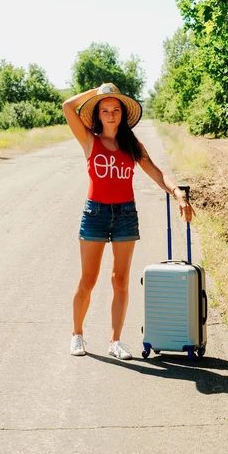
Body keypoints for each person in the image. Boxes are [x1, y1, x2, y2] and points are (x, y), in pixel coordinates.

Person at [63, 83, 195, 360]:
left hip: (125, 215)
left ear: (122, 114)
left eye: (115, 110)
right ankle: (77, 335)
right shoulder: (90, 140)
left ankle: (115, 341)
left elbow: (156, 172)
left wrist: (177, 193)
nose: (110, 115)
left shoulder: (132, 145)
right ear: (98, 115)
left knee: (120, 280)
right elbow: (67, 107)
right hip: (95, 215)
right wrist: (96, 92)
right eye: (105, 110)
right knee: (88, 279)